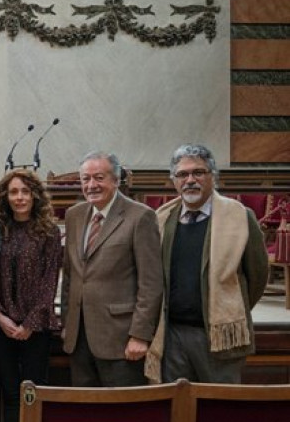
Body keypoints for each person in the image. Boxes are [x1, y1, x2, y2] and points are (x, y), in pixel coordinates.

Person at [145, 144, 269, 384]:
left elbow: (258, 275)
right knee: (176, 410)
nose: (190, 180)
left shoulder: (240, 217)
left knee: (220, 410)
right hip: (171, 337)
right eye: (182, 174)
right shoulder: (161, 220)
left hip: (218, 336)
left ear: (212, 176)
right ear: (174, 181)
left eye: (198, 173)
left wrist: (228, 308)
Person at [61, 151, 163, 388]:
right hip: (79, 338)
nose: (91, 185)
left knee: (122, 416)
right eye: (85, 179)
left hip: (121, 339)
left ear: (116, 180)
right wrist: (68, 323)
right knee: (85, 412)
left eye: (99, 177)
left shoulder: (140, 217)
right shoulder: (74, 215)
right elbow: (71, 275)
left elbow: (151, 283)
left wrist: (140, 335)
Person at [0, 169, 62, 422]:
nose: (19, 197)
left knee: (33, 395)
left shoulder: (49, 232)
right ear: (5, 197)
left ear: (35, 195)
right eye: (13, 192)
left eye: (25, 191)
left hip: (37, 327)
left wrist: (30, 324)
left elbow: (49, 282)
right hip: (2, 326)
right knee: (10, 394)